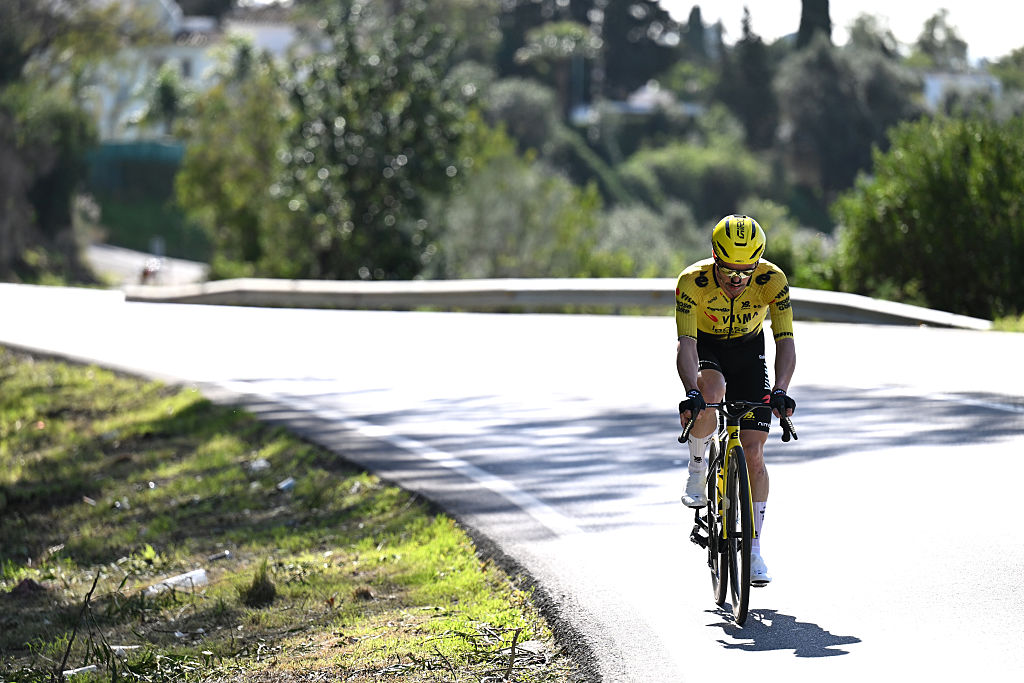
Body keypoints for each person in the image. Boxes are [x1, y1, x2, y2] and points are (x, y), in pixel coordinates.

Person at [675, 214, 796, 586]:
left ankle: (754, 550)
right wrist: (690, 391)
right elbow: (686, 344)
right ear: (714, 257)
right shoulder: (692, 282)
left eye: (745, 272)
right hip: (707, 348)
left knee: (754, 451)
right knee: (710, 394)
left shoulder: (772, 281)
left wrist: (781, 388)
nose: (736, 280)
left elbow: (785, 341)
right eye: (728, 270)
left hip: (749, 352)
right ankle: (698, 469)